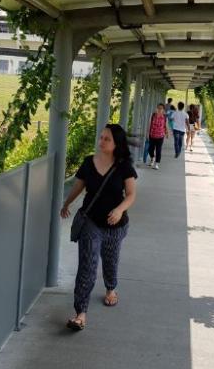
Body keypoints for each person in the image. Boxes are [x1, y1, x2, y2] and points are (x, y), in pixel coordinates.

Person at [60, 124, 137, 331]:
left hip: (114, 225)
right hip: (91, 221)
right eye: (101, 137)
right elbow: (78, 186)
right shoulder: (88, 162)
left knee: (110, 260)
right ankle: (80, 313)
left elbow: (131, 194)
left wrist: (120, 210)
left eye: (107, 139)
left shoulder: (124, 166)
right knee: (88, 265)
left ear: (116, 144)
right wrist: (66, 203)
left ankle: (111, 288)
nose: (101, 141)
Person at [147, 103, 168, 169]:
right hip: (152, 135)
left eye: (161, 108)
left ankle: (157, 164)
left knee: (158, 150)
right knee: (150, 149)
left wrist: (167, 133)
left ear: (163, 110)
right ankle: (152, 158)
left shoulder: (164, 117)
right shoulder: (153, 115)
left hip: (160, 136)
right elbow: (149, 124)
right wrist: (147, 133)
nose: (159, 109)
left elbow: (165, 125)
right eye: (158, 108)